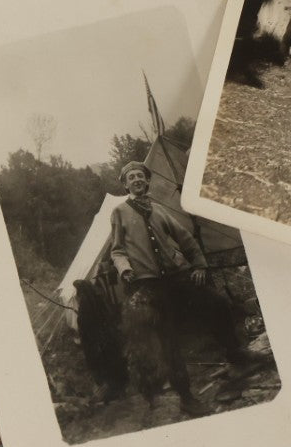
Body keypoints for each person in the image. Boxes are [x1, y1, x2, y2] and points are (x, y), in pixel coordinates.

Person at [99, 162, 262, 417]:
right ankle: (186, 397)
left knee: (216, 303)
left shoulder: (159, 210)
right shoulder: (119, 212)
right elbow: (117, 250)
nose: (137, 179)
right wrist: (124, 269)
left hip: (177, 278)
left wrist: (199, 265)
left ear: (147, 181)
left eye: (141, 175)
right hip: (148, 284)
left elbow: (185, 238)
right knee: (167, 339)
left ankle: (236, 355)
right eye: (131, 177)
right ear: (125, 184)